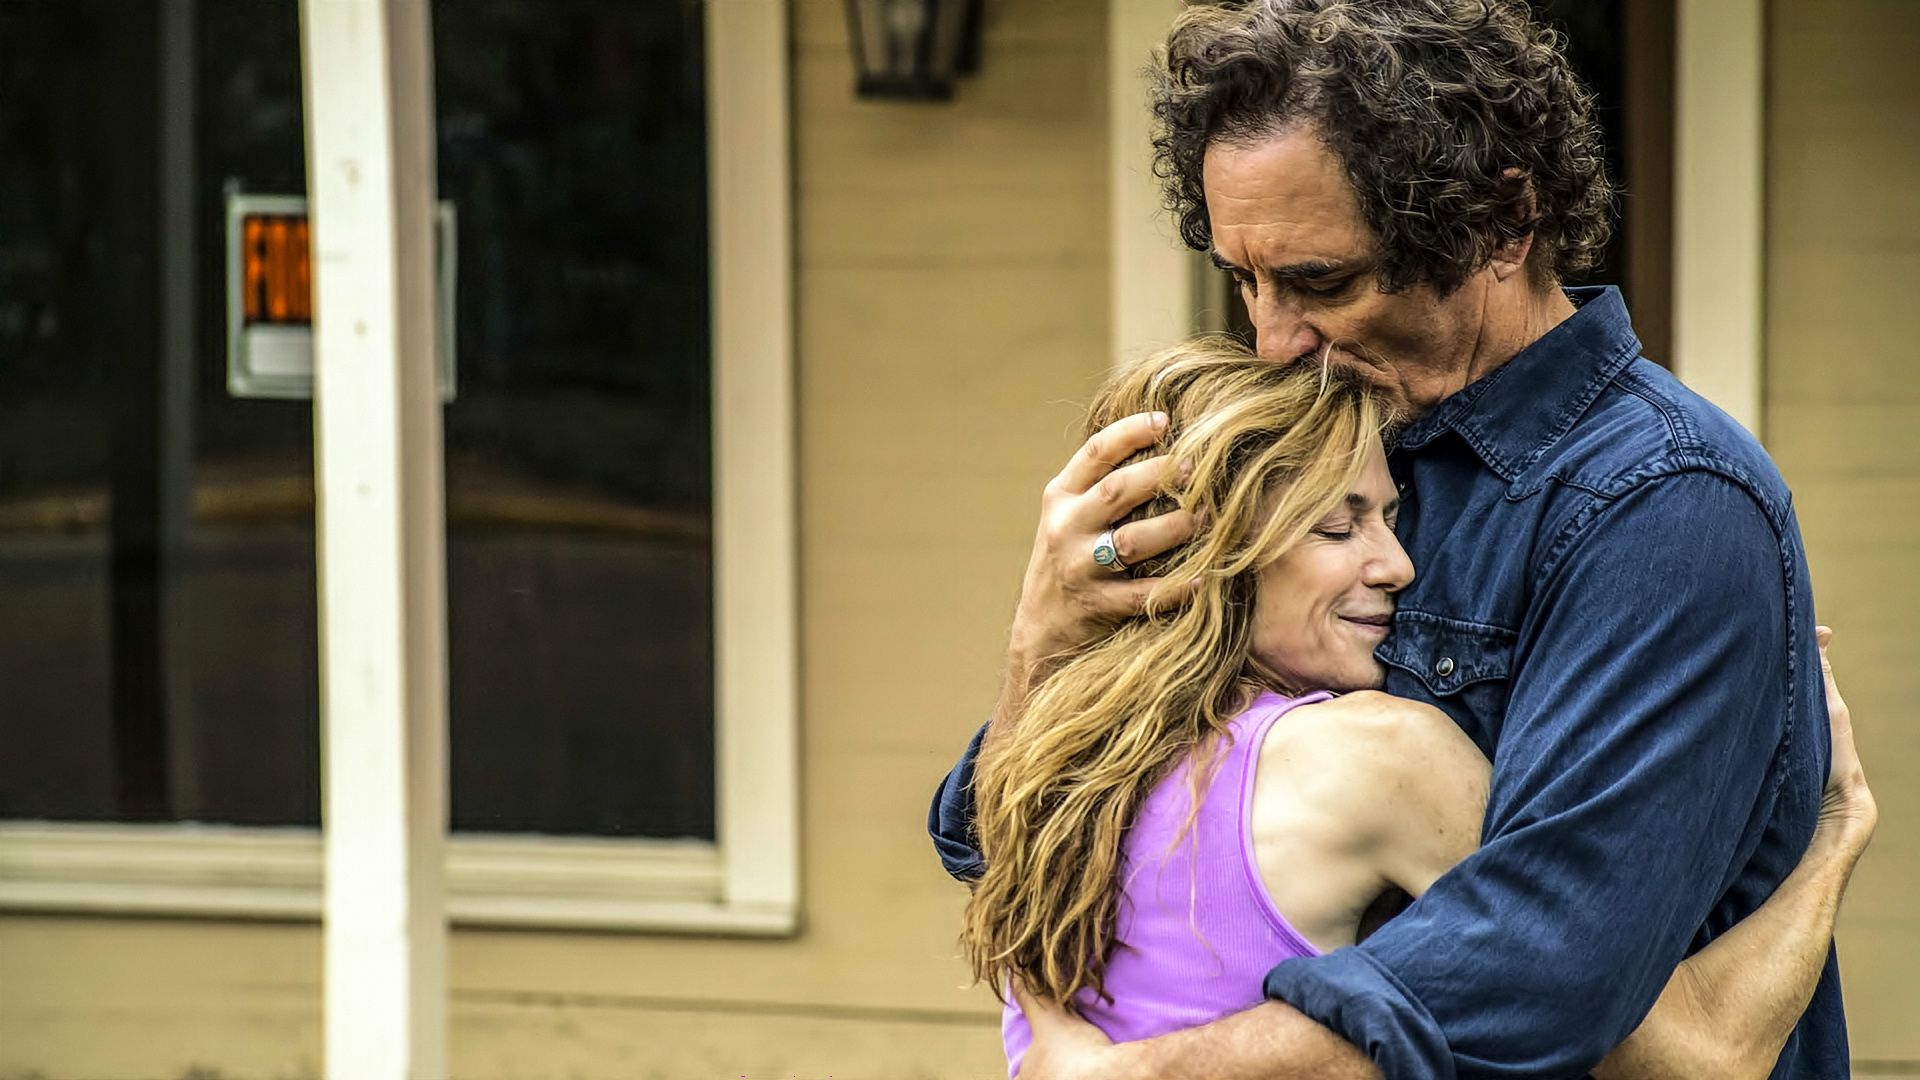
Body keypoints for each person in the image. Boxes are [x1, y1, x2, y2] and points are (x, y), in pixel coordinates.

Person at [929, 2, 1857, 1076]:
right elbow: (1005, 848)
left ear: (1503, 223)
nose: (1273, 339)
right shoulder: (1325, 436)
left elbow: (1547, 967)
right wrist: (1041, 642)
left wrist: (1138, 1073)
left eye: (1321, 282)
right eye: (1244, 279)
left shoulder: (1662, 504)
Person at [956, 343, 1874, 1080]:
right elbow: (1703, 1056)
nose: (1397, 564)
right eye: (1338, 525)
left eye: (1388, 518)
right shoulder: (1376, 757)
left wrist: (1038, 633)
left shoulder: (1041, 767)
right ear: (1213, 553)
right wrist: (1833, 835)